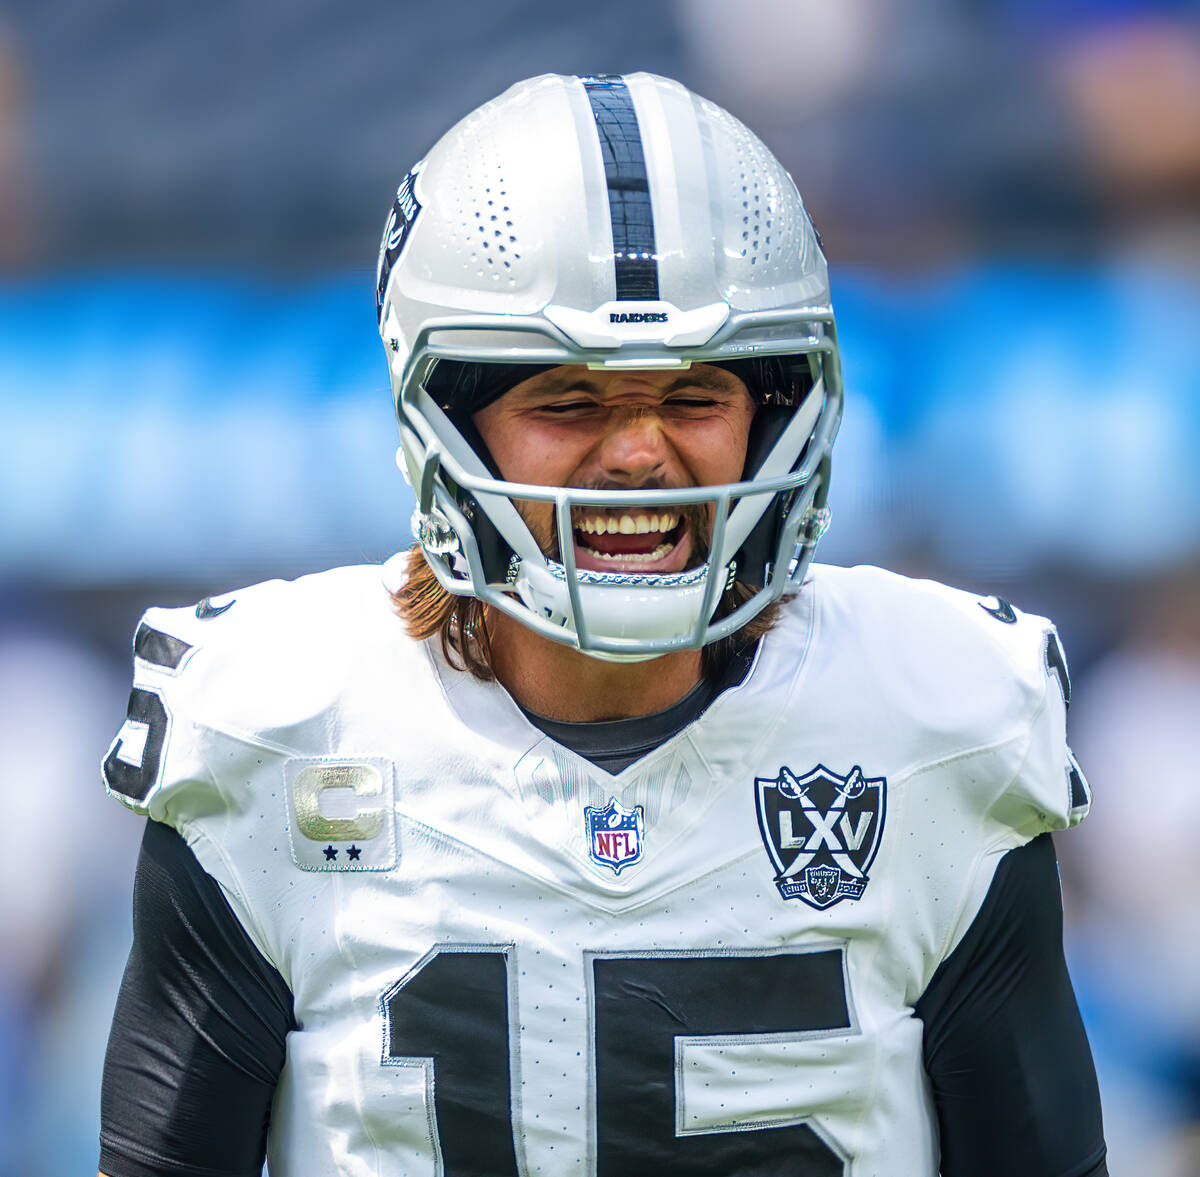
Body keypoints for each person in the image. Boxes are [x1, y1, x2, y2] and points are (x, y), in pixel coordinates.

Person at [98, 73, 1107, 1177]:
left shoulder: (934, 716)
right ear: (448, 424)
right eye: (569, 401)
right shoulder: (282, 723)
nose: (637, 453)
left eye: (693, 398)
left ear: (776, 410)